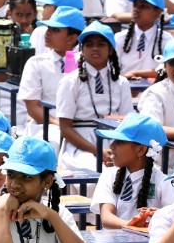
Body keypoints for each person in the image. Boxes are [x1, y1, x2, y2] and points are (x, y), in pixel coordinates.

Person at [91, 113, 174, 243]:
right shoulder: (109, 175)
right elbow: (106, 217)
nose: (112, 146)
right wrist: (131, 224)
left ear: (140, 149)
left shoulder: (162, 182)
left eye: (120, 141)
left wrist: (156, 216)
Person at [55, 21, 131, 171]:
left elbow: (125, 123)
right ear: (82, 49)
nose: (95, 48)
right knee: (93, 173)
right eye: (89, 44)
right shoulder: (70, 81)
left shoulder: (121, 82)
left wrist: (116, 150)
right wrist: (97, 151)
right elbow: (65, 128)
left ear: (110, 49)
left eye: (101, 44)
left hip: (113, 141)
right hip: (79, 144)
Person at [16, 6, 83, 142]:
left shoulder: (85, 63)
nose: (48, 33)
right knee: (56, 141)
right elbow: (33, 108)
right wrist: (60, 125)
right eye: (48, 28)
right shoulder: (36, 63)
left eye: (55, 30)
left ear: (71, 38)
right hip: (46, 127)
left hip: (80, 125)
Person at [116, 0, 171, 79]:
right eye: (135, 5)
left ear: (157, 13)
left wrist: (136, 74)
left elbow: (168, 71)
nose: (137, 9)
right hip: (125, 91)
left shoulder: (167, 40)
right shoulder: (120, 38)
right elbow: (111, 69)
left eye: (144, 6)